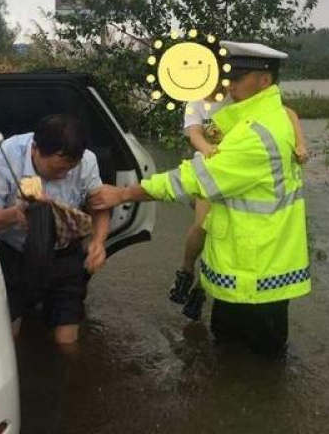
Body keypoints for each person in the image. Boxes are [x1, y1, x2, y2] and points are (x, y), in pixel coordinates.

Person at [90, 42, 310, 357]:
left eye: (239, 77)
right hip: (251, 257)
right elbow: (200, 135)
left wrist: (124, 192)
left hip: (257, 271)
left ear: (264, 80)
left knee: (255, 358)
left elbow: (189, 180)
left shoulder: (256, 134)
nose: (230, 83)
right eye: (228, 76)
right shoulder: (257, 116)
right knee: (229, 353)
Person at [171, 76, 309, 321]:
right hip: (212, 172)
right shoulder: (195, 103)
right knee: (203, 226)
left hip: (240, 174)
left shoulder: (235, 95)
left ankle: (201, 292)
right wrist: (209, 151)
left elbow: (288, 113)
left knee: (223, 239)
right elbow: (194, 134)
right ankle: (185, 270)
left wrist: (300, 143)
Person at [0, 114, 110, 349]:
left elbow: (99, 205)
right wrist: (12, 214)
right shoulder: (3, 157)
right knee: (9, 337)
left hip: (65, 253)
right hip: (15, 253)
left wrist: (99, 242)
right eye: (57, 169)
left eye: (69, 170)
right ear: (35, 149)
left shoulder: (87, 161)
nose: (62, 176)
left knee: (67, 341)